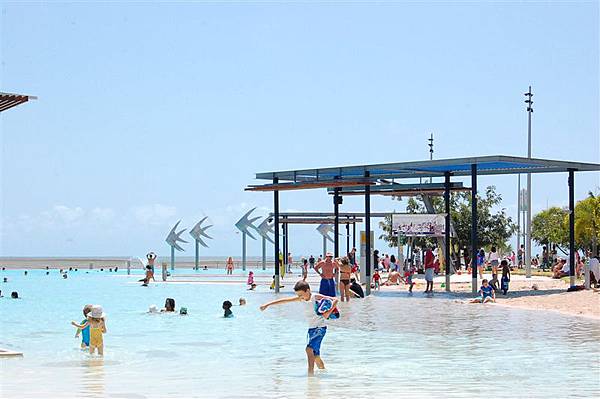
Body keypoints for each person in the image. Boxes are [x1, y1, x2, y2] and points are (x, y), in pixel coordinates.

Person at [260, 280, 338, 376]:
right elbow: (284, 300)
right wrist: (267, 305)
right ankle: (323, 372)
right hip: (311, 329)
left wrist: (327, 313)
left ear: (308, 290)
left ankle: (310, 376)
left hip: (320, 328)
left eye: (301, 295)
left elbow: (335, 299)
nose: (300, 297)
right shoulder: (301, 299)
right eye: (298, 295)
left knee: (309, 349)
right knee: (316, 356)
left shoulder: (315, 297)